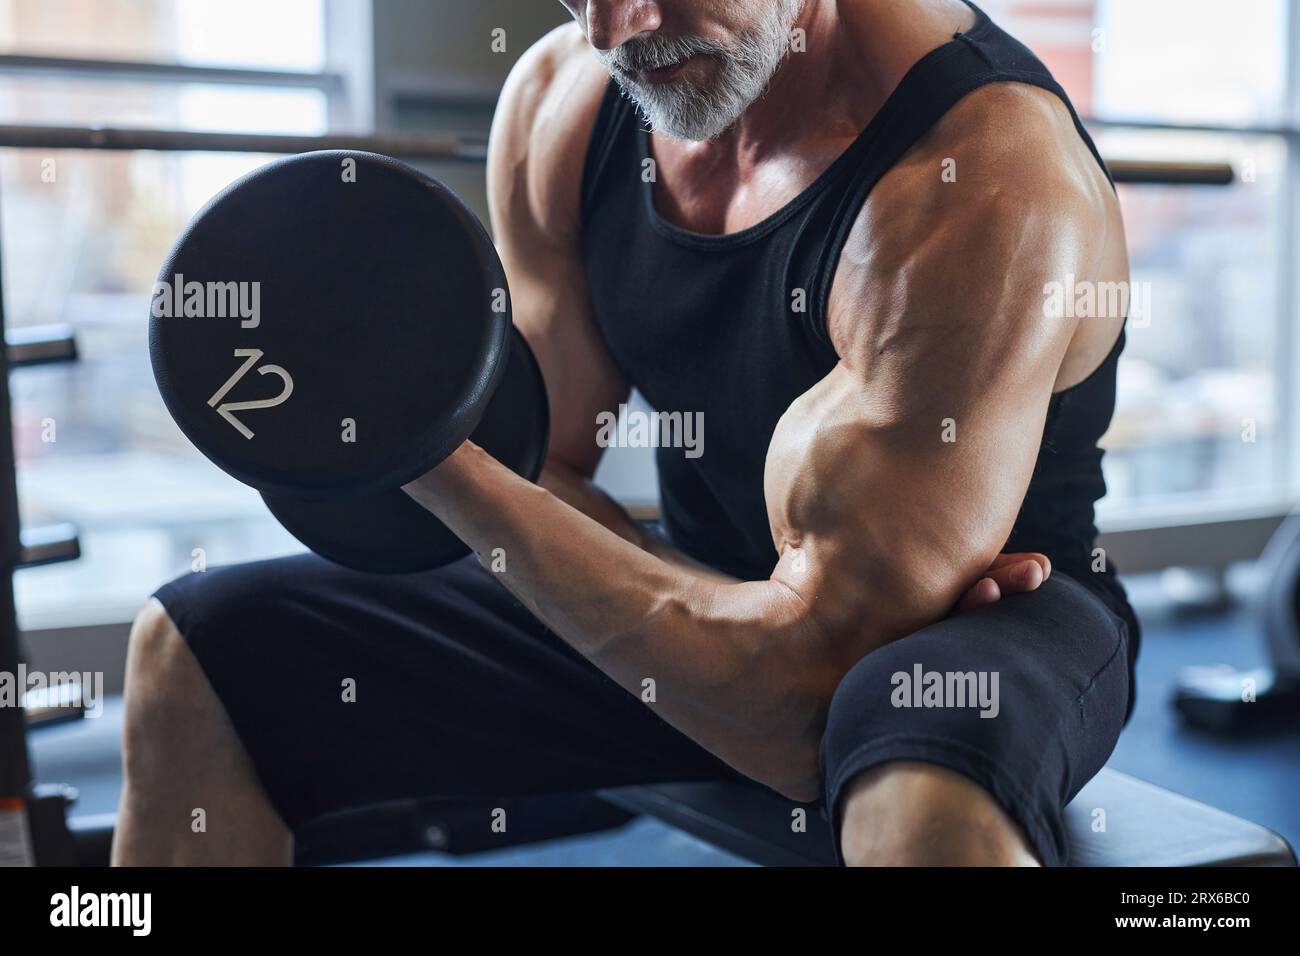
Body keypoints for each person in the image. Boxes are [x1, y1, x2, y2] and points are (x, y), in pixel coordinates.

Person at [113, 0, 1139, 867]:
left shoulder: (977, 178)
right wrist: (499, 482)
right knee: (198, 651)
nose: (617, 26)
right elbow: (541, 464)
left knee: (922, 805)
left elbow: (794, 711)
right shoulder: (566, 104)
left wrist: (425, 451)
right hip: (693, 584)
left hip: (967, 624)